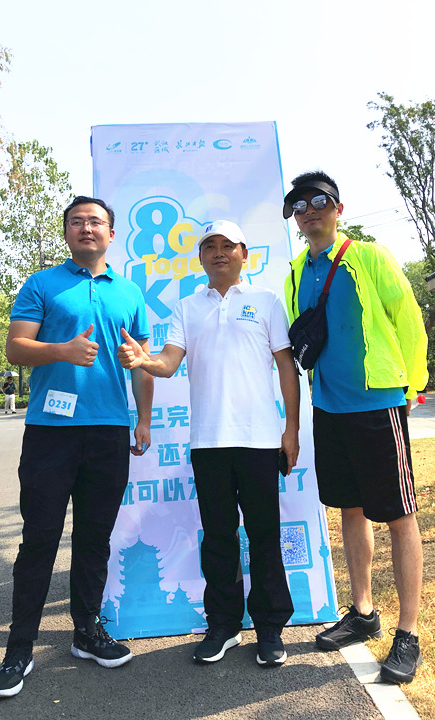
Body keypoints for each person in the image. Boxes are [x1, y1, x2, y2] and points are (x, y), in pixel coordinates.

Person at [0, 196, 154, 699]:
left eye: (95, 221)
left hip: (109, 431)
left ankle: (87, 631)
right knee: (39, 538)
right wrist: (61, 350)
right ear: (66, 233)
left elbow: (142, 362)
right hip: (50, 432)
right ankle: (19, 648)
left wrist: (144, 419)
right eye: (77, 221)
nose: (86, 228)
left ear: (111, 234)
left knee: (94, 538)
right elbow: (16, 347)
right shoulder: (42, 284)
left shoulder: (130, 292)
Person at [117, 220, 300, 667]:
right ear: (200, 257)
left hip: (259, 441)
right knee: (218, 537)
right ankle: (223, 625)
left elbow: (286, 367)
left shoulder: (266, 301)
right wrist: (143, 359)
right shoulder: (187, 307)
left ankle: (270, 628)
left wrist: (291, 429)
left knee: (264, 535)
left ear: (244, 254)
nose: (219, 253)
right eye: (209, 247)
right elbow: (168, 362)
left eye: (227, 246)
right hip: (209, 443)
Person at [283, 171, 428, 685]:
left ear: (338, 208)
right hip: (328, 407)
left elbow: (408, 319)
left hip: (377, 403)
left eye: (319, 201)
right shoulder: (296, 272)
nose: (309, 211)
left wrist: (413, 386)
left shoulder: (369, 257)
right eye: (300, 206)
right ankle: (363, 611)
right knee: (350, 508)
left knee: (400, 515)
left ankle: (408, 634)